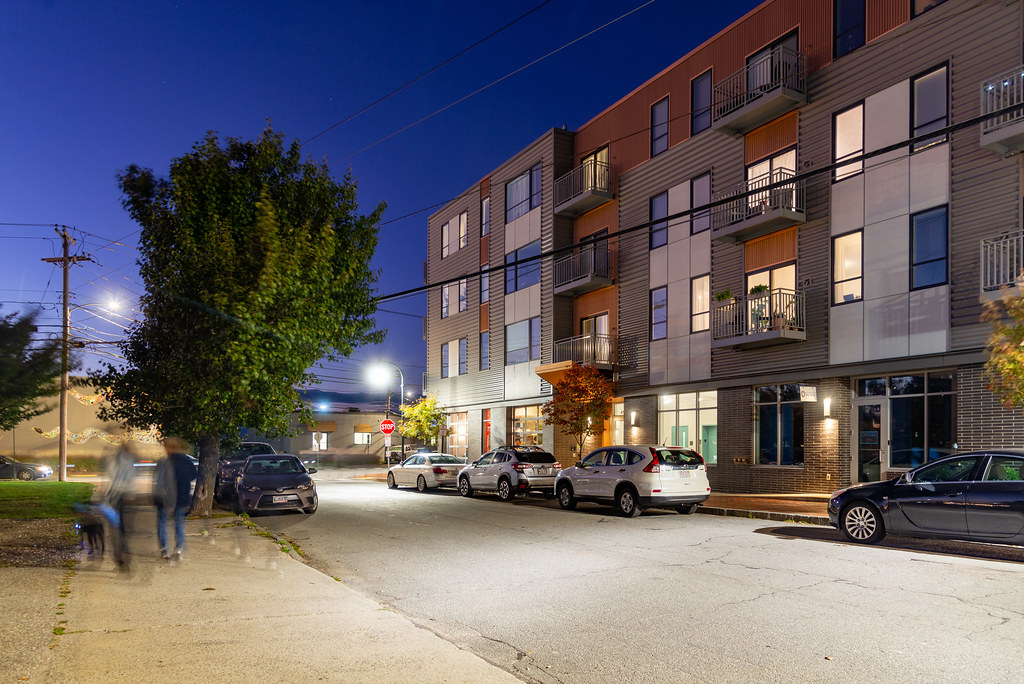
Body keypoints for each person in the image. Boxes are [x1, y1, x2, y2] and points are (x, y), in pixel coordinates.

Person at [154, 436, 197, 560]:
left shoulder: (164, 462)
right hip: (182, 497)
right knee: (179, 523)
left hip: (165, 498)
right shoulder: (187, 461)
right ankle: (178, 550)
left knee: (162, 522)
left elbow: (160, 481)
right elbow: (193, 475)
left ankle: (164, 549)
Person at [103, 444, 137, 570]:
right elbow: (131, 479)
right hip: (126, 497)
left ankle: (119, 558)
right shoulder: (129, 462)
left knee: (114, 530)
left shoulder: (113, 460)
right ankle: (125, 555)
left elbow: (111, 478)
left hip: (114, 498)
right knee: (124, 530)